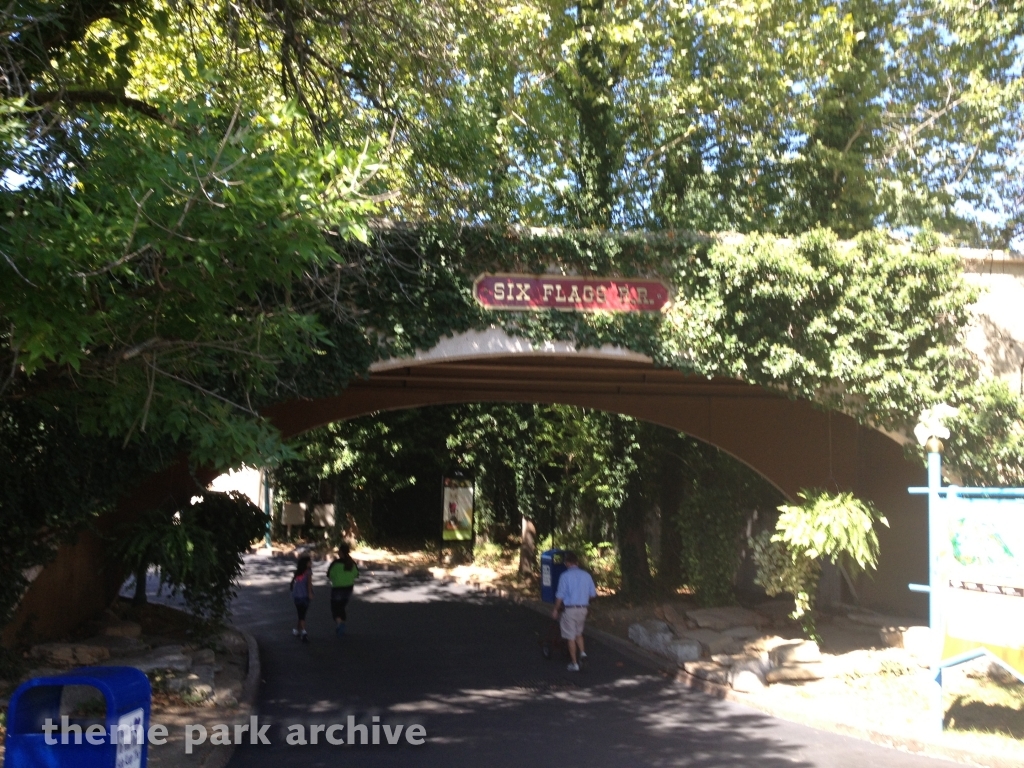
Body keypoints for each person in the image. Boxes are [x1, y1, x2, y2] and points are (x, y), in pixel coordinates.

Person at [551, 550, 597, 672]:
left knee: (570, 636)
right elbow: (593, 594)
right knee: (579, 633)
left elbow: (560, 595)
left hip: (569, 610)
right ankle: (582, 653)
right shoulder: (587, 575)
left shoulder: (565, 576)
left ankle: (574, 663)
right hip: (583, 609)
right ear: (577, 562)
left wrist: (556, 610)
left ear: (566, 563)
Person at [326, 545, 359, 636]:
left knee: (335, 608)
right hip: (348, 588)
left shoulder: (335, 564)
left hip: (337, 588)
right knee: (342, 606)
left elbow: (329, 575)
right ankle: (342, 624)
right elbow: (356, 574)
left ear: (340, 552)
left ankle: (340, 624)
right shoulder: (352, 563)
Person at [290, 554, 313, 642]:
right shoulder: (308, 572)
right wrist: (310, 593)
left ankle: (297, 630)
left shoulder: (298, 572)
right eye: (310, 562)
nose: (311, 563)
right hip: (305, 595)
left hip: (296, 596)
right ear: (306, 563)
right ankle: (304, 632)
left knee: (301, 614)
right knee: (302, 614)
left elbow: (293, 583)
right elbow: (309, 584)